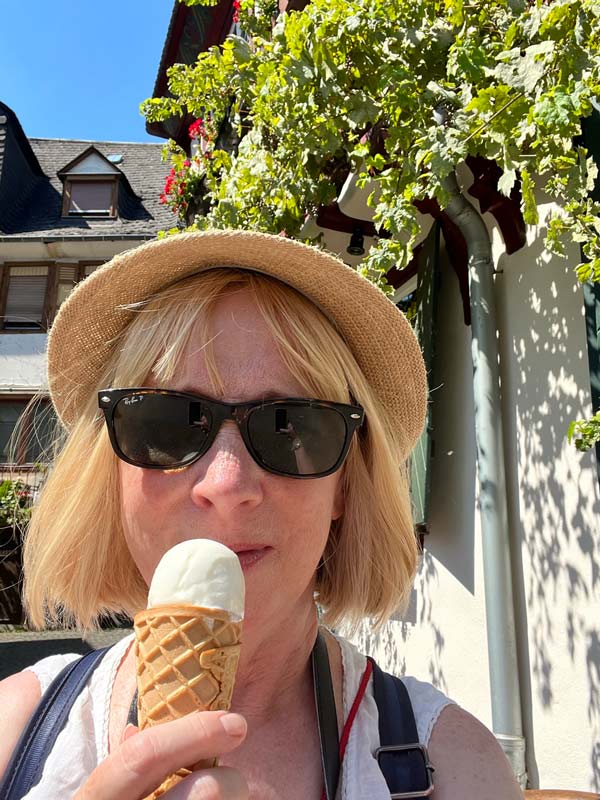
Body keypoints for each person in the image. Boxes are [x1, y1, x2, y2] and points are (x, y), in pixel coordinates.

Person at [0, 230, 523, 799]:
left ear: (346, 484)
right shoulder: (16, 732)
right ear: (111, 473)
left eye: (290, 426)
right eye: (167, 423)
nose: (227, 485)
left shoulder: (453, 769)